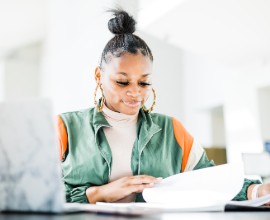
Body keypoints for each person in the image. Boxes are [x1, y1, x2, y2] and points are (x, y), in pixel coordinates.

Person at [57, 9, 269, 204]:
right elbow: (34, 193)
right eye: (122, 82)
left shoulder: (172, 131)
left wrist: (257, 191)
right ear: (98, 76)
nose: (135, 92)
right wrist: (99, 193)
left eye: (144, 82)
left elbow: (210, 180)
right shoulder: (66, 128)